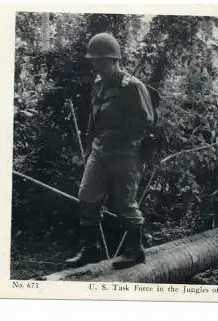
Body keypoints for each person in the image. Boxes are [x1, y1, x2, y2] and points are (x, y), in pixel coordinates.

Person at [65, 33, 155, 269]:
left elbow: (146, 122)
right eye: (94, 61)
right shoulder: (97, 86)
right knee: (86, 197)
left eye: (101, 61)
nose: (97, 66)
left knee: (124, 204)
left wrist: (120, 134)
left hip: (126, 153)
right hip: (99, 151)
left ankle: (135, 251)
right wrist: (88, 150)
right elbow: (92, 124)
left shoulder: (133, 87)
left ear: (114, 60)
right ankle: (90, 249)